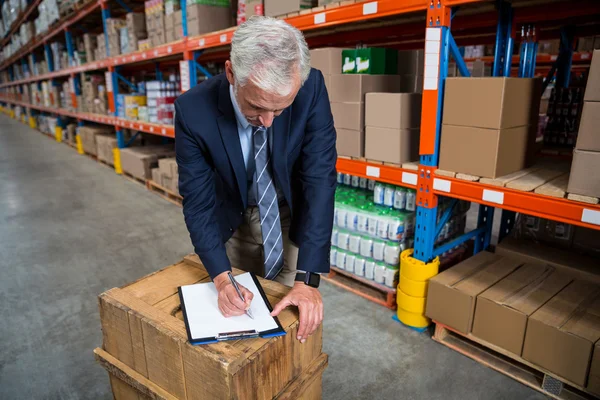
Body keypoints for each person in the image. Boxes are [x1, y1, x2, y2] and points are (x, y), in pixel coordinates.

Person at [174, 16, 337, 343]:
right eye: (257, 108)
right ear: (231, 72)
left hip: (288, 216)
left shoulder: (310, 86)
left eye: (279, 111)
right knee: (238, 324)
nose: (266, 122)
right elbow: (199, 203)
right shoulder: (193, 111)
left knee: (288, 324)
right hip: (234, 219)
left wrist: (307, 281)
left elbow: (319, 178)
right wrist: (222, 280)